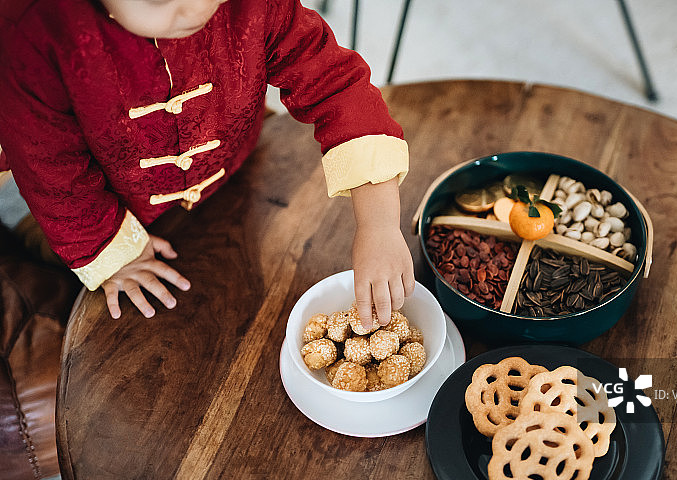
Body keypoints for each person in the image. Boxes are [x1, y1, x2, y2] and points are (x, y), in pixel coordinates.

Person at [0, 0, 414, 329]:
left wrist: (378, 224)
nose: (194, 9)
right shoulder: (34, 29)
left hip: (235, 167)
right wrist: (113, 252)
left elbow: (335, 85)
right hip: (105, 208)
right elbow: (48, 163)